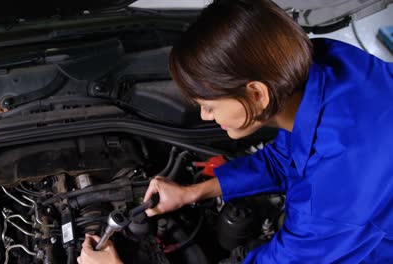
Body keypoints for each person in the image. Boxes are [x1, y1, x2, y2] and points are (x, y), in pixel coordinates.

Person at [78, 0, 393, 263]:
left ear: (257, 94)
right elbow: (286, 158)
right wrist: (193, 192)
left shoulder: (337, 202)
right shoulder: (323, 63)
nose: (204, 115)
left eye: (209, 106)